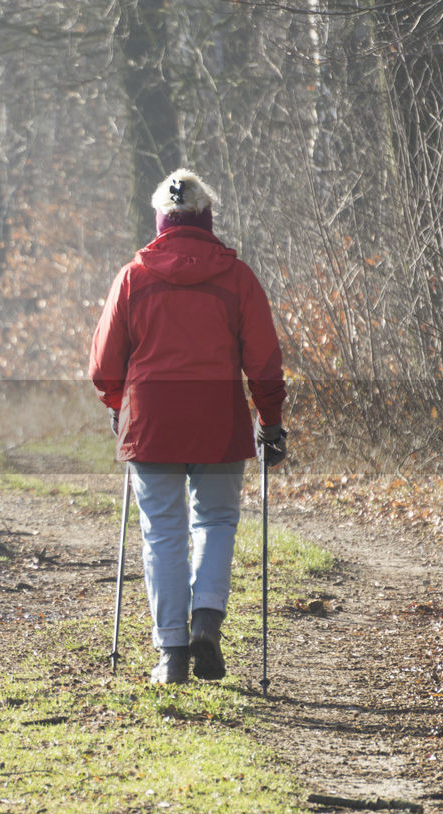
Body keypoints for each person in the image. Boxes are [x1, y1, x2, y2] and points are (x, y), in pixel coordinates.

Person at [88, 168, 287, 685]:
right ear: (206, 218)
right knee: (216, 523)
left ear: (161, 221)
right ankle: (207, 621)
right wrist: (271, 421)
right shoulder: (236, 277)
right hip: (218, 419)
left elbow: (105, 366)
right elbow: (264, 362)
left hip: (153, 420)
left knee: (163, 534)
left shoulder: (134, 276)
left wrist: (118, 405)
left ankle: (171, 655)